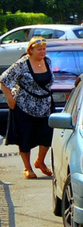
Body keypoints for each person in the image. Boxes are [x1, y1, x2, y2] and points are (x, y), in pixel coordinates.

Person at [0, 37, 53, 179]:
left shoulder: (47, 61)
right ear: (31, 50)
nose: (43, 52)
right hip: (24, 106)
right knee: (25, 137)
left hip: (44, 106)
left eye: (44, 49)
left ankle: (40, 161)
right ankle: (27, 167)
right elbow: (3, 80)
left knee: (47, 136)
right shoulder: (22, 64)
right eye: (39, 49)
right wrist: (10, 99)